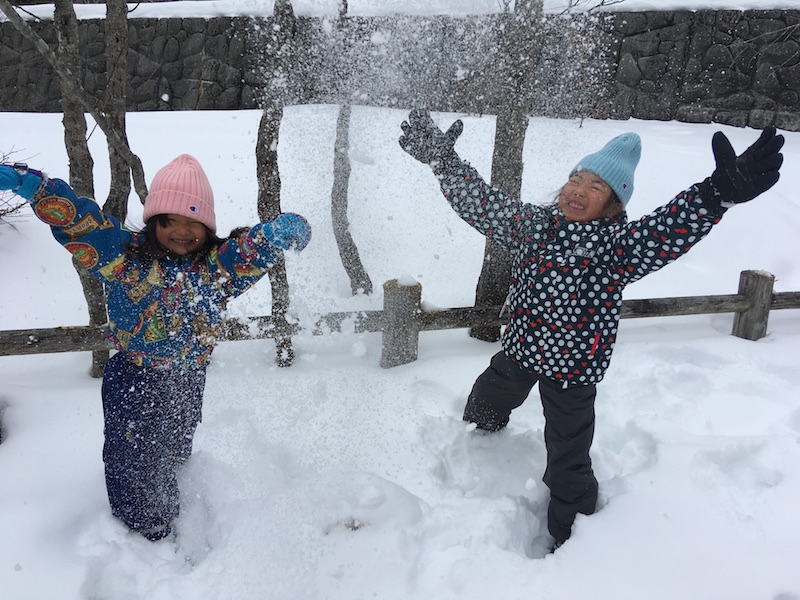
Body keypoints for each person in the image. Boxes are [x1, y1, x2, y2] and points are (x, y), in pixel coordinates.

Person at [398, 109, 784, 549]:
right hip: (520, 350)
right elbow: (481, 203)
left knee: (568, 459)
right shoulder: (533, 227)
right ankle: (476, 447)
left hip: (573, 373)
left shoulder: (620, 248)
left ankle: (574, 540)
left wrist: (715, 195)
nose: (578, 191)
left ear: (614, 202)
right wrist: (443, 163)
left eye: (595, 186)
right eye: (576, 180)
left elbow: (667, 228)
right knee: (486, 400)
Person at [0, 154, 311, 541]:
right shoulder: (122, 255)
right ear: (152, 222)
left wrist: (275, 234)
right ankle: (145, 527)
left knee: (175, 445)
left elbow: (248, 249)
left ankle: (172, 489)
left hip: (187, 377)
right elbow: (79, 221)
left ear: (208, 226)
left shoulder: (215, 268)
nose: (181, 231)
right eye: (169, 221)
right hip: (134, 378)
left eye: (193, 221)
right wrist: (36, 187)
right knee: (133, 456)